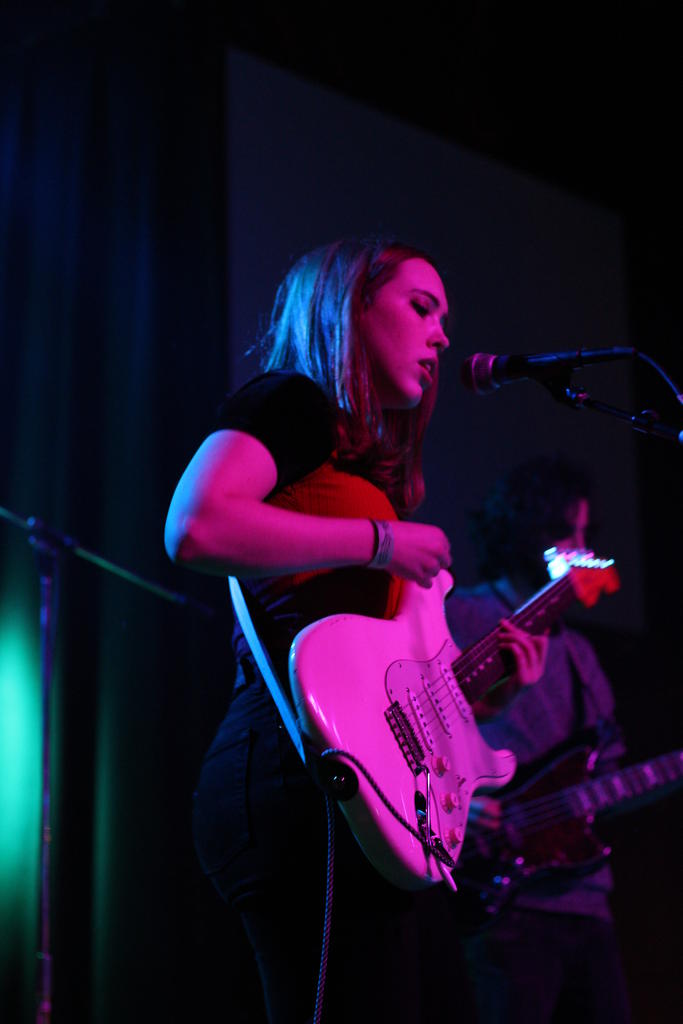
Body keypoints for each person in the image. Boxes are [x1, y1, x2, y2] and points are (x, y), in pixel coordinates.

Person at [164, 238, 547, 1024]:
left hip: (360, 800)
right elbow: (194, 525)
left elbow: (378, 693)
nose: (442, 335)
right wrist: (381, 543)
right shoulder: (293, 403)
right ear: (350, 305)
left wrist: (484, 691)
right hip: (297, 778)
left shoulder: (359, 477)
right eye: (420, 306)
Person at [443, 453, 632, 1023]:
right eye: (564, 532)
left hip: (587, 902)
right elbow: (420, 729)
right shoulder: (468, 616)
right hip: (506, 901)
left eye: (584, 533)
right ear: (529, 532)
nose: (579, 548)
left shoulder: (578, 651)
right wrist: (459, 808)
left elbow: (608, 764)